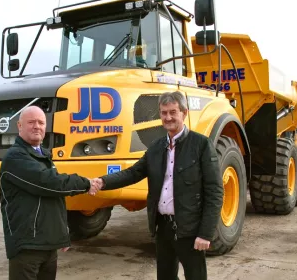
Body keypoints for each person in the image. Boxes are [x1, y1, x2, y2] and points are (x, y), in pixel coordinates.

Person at [92, 91, 223, 280]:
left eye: (172, 112)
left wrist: (206, 233)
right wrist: (104, 181)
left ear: (184, 113)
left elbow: (215, 191)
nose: (168, 117)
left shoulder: (201, 145)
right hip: (163, 228)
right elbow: (134, 172)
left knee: (196, 277)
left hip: (190, 228)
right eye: (163, 113)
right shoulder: (155, 147)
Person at [0, 105, 101, 280]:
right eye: (31, 122)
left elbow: (54, 198)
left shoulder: (42, 156)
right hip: (27, 247)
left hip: (47, 246)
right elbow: (49, 183)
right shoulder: (15, 158)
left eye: (41, 122)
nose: (37, 126)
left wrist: (61, 235)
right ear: (19, 126)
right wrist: (86, 183)